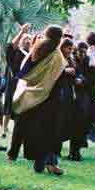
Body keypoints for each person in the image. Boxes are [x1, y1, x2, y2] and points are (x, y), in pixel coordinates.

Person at [7, 25, 66, 174]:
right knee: (48, 133)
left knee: (23, 127)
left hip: (29, 95)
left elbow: (23, 72)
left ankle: (13, 154)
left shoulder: (35, 50)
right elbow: (58, 79)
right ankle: (45, 163)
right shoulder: (57, 56)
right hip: (50, 98)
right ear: (60, 39)